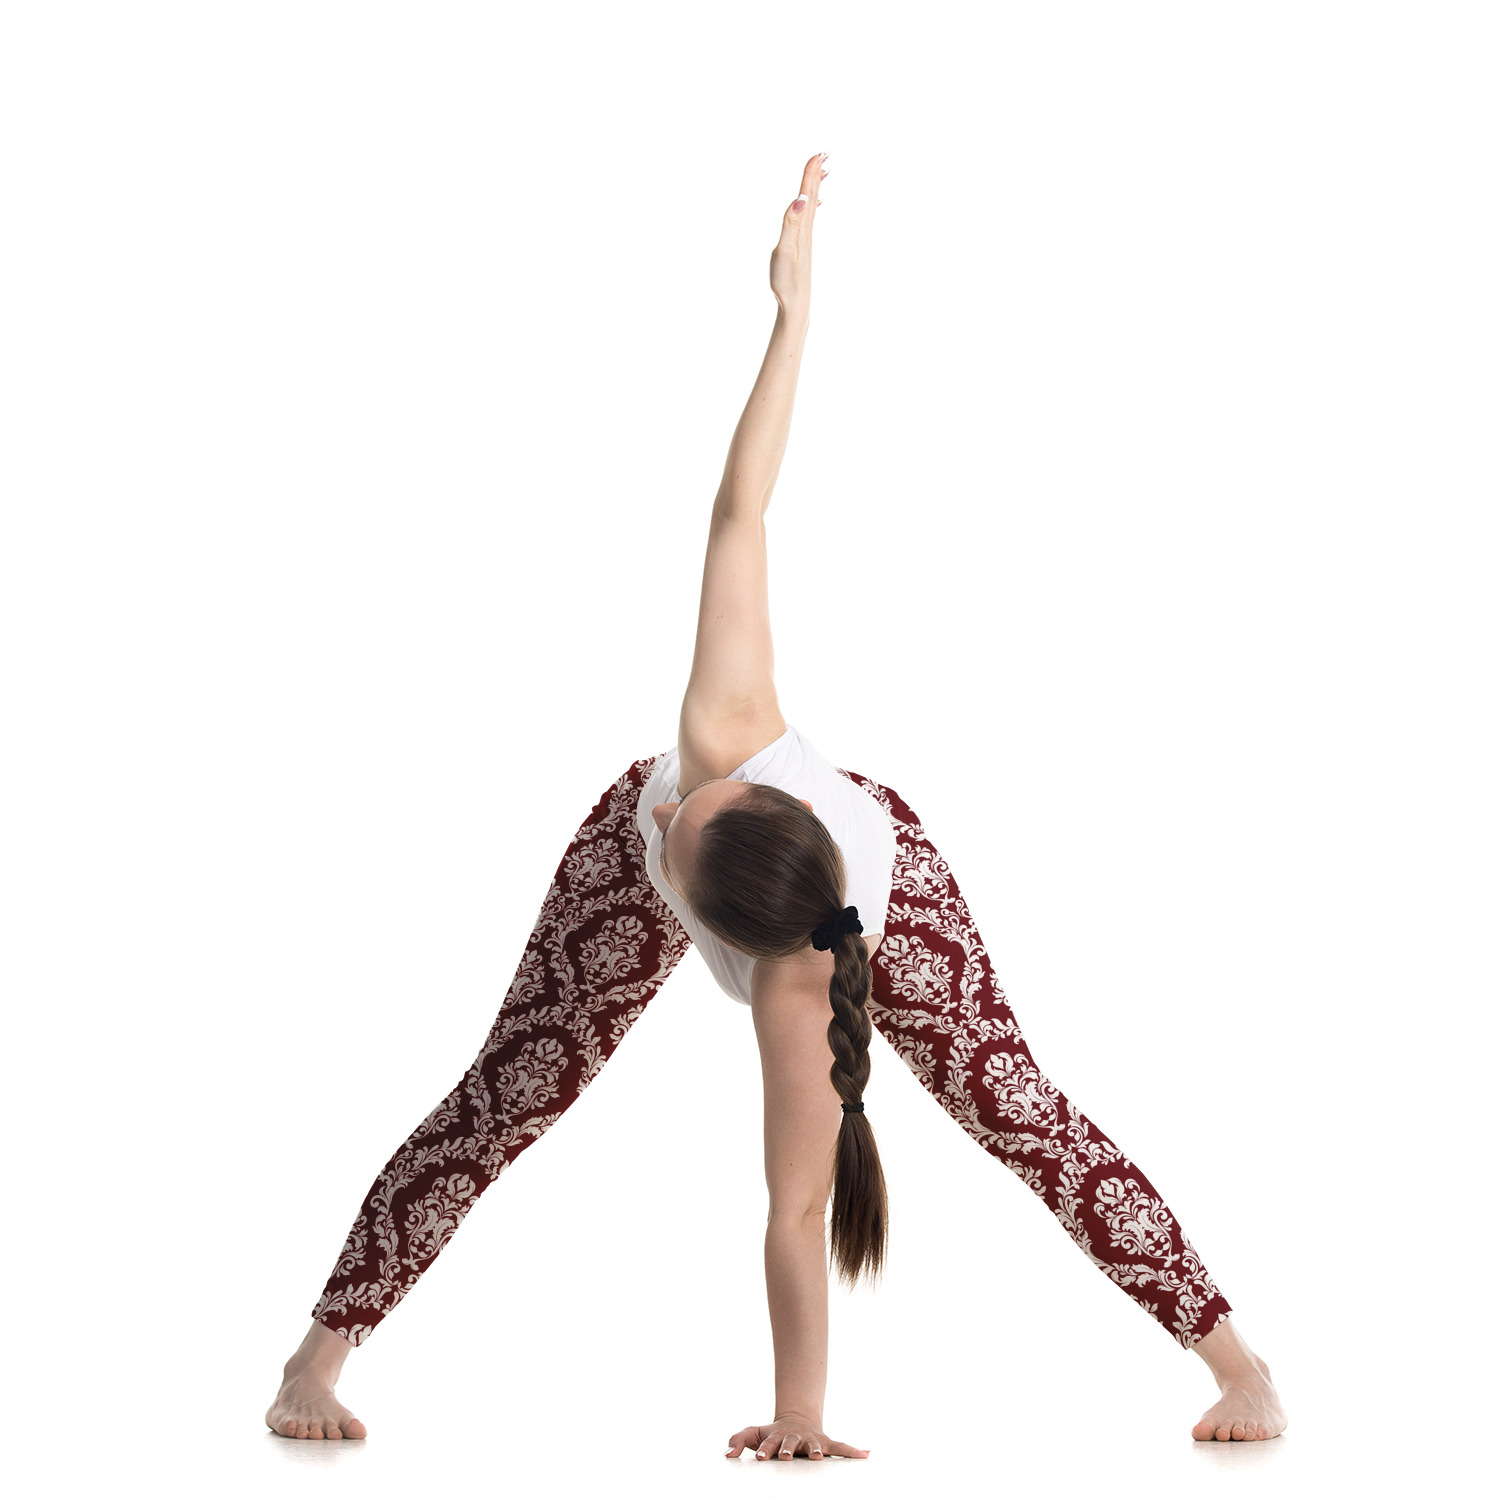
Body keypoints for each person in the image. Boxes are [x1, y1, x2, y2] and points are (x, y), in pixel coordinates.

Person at [264, 154, 1288, 1453]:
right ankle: (314, 1361)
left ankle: (1241, 1365)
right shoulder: (717, 736)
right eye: (688, 809)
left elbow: (796, 1211)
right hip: (778, 863)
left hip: (869, 905)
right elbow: (741, 508)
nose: (672, 804)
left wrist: (798, 1415)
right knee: (507, 1092)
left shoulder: (796, 988)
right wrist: (793, 319)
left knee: (1019, 1109)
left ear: (734, 943)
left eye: (681, 826)